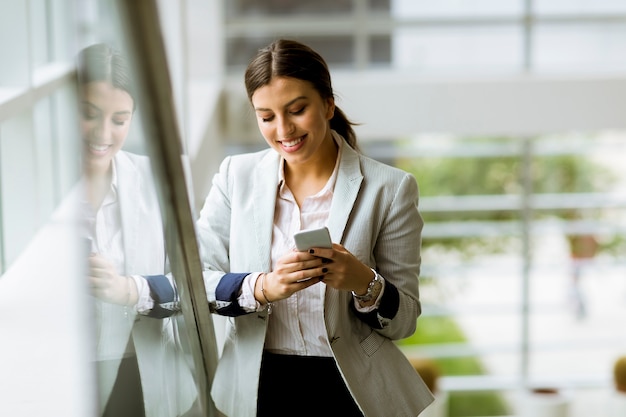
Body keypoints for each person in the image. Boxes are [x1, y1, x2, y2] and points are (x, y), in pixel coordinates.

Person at [197, 39, 434, 416]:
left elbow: (404, 320)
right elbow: (196, 278)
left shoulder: (390, 188)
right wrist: (263, 286)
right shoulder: (234, 177)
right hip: (258, 384)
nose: (283, 129)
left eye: (297, 109)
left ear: (327, 104)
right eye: (267, 116)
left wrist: (363, 282)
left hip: (351, 388)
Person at [76, 43, 197, 417]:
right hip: (62, 374)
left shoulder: (162, 179)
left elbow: (192, 283)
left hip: (144, 374)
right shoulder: (32, 186)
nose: (103, 132)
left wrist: (128, 290)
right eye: (89, 114)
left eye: (119, 119)